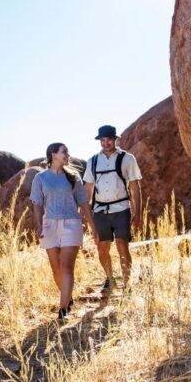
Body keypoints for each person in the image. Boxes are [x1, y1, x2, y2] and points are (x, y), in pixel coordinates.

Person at [31, 142, 96, 321]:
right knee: (56, 269)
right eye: (64, 152)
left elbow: (84, 203)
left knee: (66, 266)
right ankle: (68, 298)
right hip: (49, 225)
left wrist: (92, 227)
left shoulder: (73, 177)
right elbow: (37, 204)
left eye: (67, 151)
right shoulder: (40, 178)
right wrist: (39, 225)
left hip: (71, 225)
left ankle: (63, 310)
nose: (68, 154)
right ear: (54, 155)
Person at [84, 125, 142, 295]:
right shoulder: (92, 161)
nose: (105, 143)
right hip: (100, 211)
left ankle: (127, 283)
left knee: (122, 245)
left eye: (109, 139)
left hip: (121, 208)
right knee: (102, 248)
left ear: (115, 139)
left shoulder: (127, 159)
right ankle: (110, 279)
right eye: (102, 140)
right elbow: (88, 189)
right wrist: (85, 214)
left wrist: (137, 213)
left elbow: (135, 187)